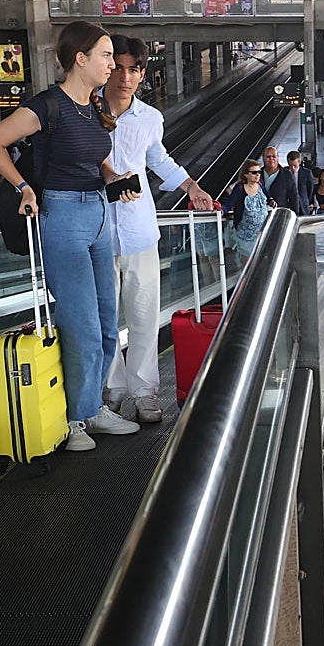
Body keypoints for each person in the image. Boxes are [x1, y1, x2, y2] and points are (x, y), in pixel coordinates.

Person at [0, 20, 136, 452]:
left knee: (108, 321)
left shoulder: (93, 107)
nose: (112, 64)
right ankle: (75, 420)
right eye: (105, 56)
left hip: (99, 213)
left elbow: (91, 157)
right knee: (81, 323)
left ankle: (92, 407)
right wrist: (23, 187)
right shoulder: (47, 106)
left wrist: (113, 176)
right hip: (62, 216)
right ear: (80, 59)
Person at [101, 34, 214, 426]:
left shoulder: (149, 118)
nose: (124, 77)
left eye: (133, 69)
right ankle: (111, 392)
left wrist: (192, 187)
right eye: (117, 67)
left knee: (144, 315)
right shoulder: (81, 111)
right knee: (104, 318)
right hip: (94, 232)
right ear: (104, 66)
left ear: (143, 74)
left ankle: (145, 392)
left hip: (138, 231)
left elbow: (158, 159)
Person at [229, 159, 270, 260]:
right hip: (246, 234)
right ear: (246, 175)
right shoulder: (240, 188)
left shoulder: (260, 184)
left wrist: (272, 200)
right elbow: (230, 203)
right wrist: (221, 210)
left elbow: (267, 195)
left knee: (261, 259)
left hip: (262, 232)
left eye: (259, 172)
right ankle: (246, 276)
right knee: (247, 260)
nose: (257, 175)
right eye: (254, 172)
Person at [261, 145, 298, 214]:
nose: (271, 159)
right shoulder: (258, 174)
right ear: (263, 158)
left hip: (279, 215)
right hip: (260, 216)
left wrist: (295, 215)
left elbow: (294, 197)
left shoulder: (286, 175)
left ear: (278, 158)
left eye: (274, 156)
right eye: (268, 157)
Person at [287, 150, 313, 216]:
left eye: (295, 165)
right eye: (290, 165)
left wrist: (307, 200)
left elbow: (310, 189)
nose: (292, 168)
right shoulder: (284, 172)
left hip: (303, 205)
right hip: (289, 205)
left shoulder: (307, 173)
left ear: (299, 162)